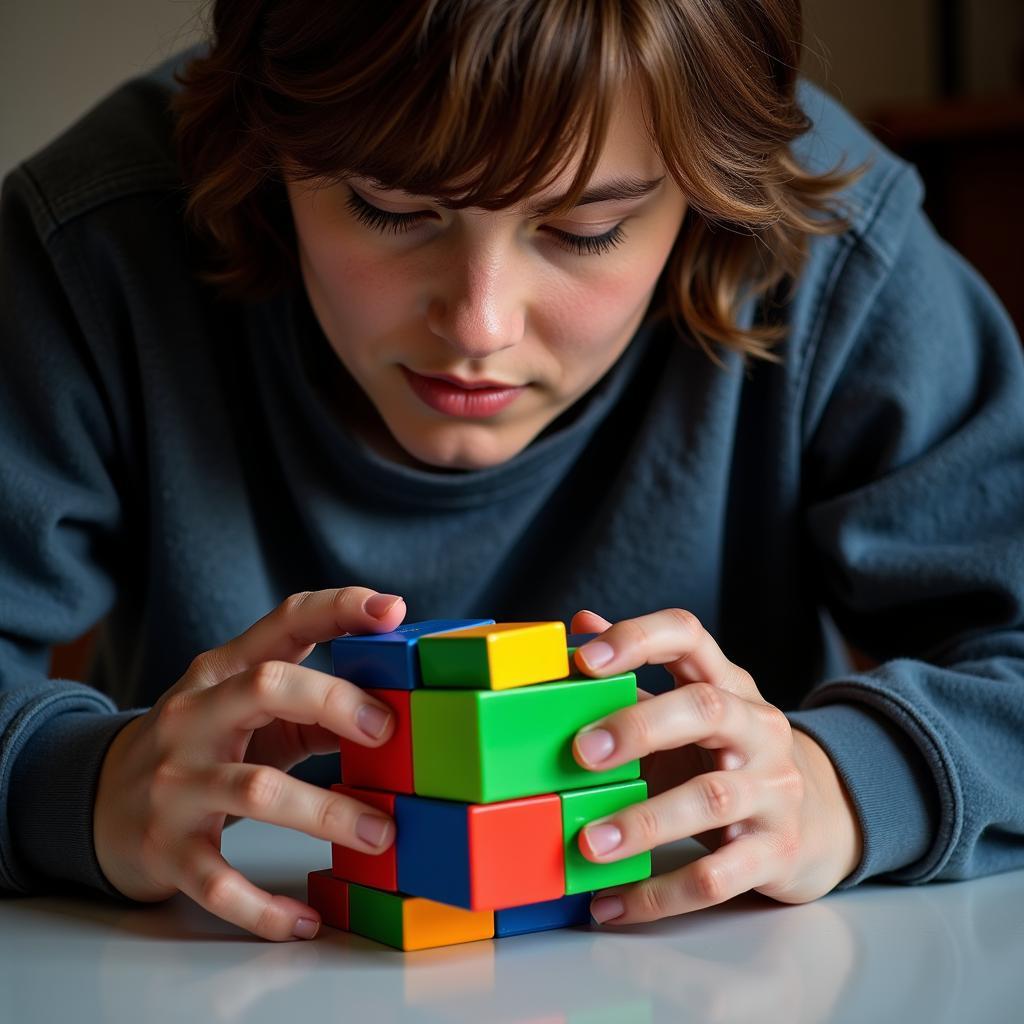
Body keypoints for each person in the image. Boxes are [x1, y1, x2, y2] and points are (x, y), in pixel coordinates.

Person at [1, 0, 1022, 945]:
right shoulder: (90, 242)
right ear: (268, 156)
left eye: (586, 229)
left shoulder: (837, 249)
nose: (477, 325)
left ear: (707, 199)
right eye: (389, 208)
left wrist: (844, 786)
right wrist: (74, 789)